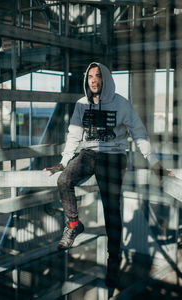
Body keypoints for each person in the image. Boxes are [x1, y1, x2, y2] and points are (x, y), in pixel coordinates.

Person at [44, 62, 174, 287]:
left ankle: (113, 261)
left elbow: (139, 134)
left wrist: (154, 163)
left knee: (111, 209)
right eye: (90, 77)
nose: (93, 80)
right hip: (87, 154)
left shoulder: (121, 103)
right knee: (63, 180)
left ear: (105, 79)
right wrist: (64, 162)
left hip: (113, 157)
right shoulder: (81, 104)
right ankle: (74, 224)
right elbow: (74, 134)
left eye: (98, 76)